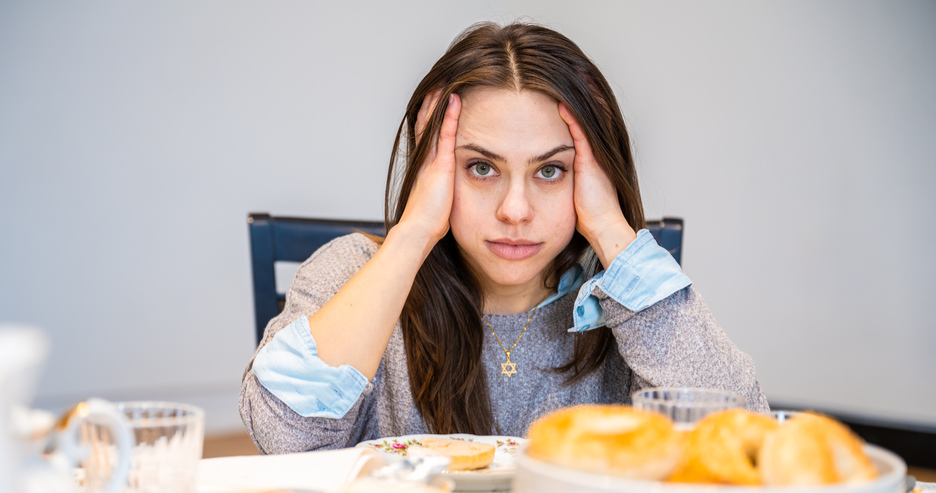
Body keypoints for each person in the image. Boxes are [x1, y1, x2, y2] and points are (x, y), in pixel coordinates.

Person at [240, 21, 768, 455]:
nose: (515, 211)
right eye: (480, 168)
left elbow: (739, 446)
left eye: (550, 171)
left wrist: (613, 231)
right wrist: (415, 230)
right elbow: (285, 438)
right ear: (436, 170)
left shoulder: (628, 296)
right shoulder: (350, 271)